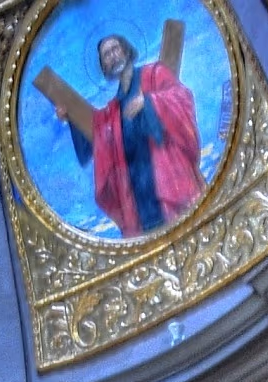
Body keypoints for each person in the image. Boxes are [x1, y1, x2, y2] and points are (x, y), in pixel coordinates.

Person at [38, 31, 202, 236]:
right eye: (106, 55)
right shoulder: (113, 110)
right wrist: (70, 117)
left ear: (125, 49)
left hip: (169, 180)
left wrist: (149, 102)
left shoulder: (154, 74)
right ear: (103, 66)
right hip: (137, 194)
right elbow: (97, 134)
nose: (112, 55)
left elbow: (182, 98)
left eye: (115, 49)